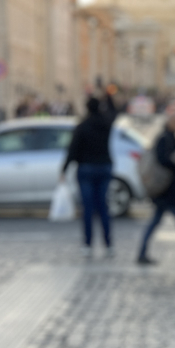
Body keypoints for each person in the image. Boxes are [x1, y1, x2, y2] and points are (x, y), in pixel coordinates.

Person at [61, 91, 117, 259]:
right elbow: (114, 111)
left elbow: (72, 150)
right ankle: (108, 244)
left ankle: (87, 244)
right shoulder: (106, 123)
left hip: (86, 169)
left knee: (88, 208)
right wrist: (108, 95)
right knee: (103, 207)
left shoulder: (82, 126)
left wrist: (64, 169)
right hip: (104, 167)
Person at [137, 112, 175, 265]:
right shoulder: (165, 138)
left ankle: (142, 252)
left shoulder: (168, 137)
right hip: (166, 190)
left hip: (166, 190)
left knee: (158, 222)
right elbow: (165, 161)